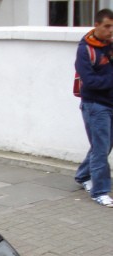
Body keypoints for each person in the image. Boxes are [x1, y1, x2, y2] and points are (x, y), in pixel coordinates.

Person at [74, 8, 113, 208]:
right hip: (95, 105)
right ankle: (100, 191)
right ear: (96, 25)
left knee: (103, 146)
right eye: (107, 26)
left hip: (109, 102)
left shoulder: (110, 45)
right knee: (100, 149)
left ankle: (83, 175)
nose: (111, 30)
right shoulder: (85, 50)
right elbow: (89, 81)